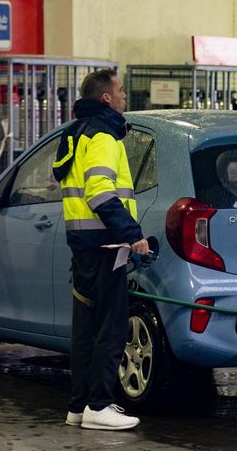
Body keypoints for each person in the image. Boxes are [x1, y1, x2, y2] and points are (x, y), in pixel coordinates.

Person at [53, 69, 148, 430]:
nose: (125, 97)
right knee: (111, 328)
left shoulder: (76, 134)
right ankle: (100, 405)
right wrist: (132, 233)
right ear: (106, 98)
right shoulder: (104, 136)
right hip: (107, 245)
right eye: (120, 91)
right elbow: (100, 192)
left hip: (84, 247)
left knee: (84, 331)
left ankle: (79, 408)